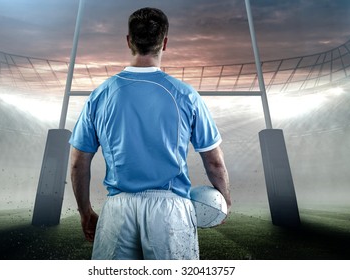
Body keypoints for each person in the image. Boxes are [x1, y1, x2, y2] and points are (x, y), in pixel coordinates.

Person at [69, 7, 230, 260]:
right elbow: (214, 161)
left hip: (117, 211)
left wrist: (85, 212)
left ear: (129, 41)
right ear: (164, 43)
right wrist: (225, 201)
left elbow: (79, 163)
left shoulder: (100, 95)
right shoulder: (186, 95)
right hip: (170, 211)